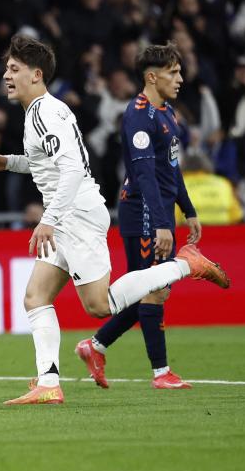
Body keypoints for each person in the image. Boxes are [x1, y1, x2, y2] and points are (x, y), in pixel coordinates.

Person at [0, 35, 230, 406]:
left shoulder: (44, 113)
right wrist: (8, 162)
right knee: (36, 296)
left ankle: (184, 265)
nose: (7, 76)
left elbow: (73, 169)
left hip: (73, 214)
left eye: (14, 69)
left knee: (99, 305)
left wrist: (49, 219)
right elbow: (50, 165)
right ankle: (48, 383)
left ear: (36, 73)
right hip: (71, 212)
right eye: (7, 69)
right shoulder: (42, 111)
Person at [75, 43, 219, 390]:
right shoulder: (139, 116)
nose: (180, 78)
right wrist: (159, 222)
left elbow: (171, 169)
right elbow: (144, 175)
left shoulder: (167, 113)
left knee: (152, 289)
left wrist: (188, 209)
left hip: (157, 210)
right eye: (173, 72)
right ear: (152, 77)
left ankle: (95, 346)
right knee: (154, 289)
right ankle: (160, 373)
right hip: (141, 210)